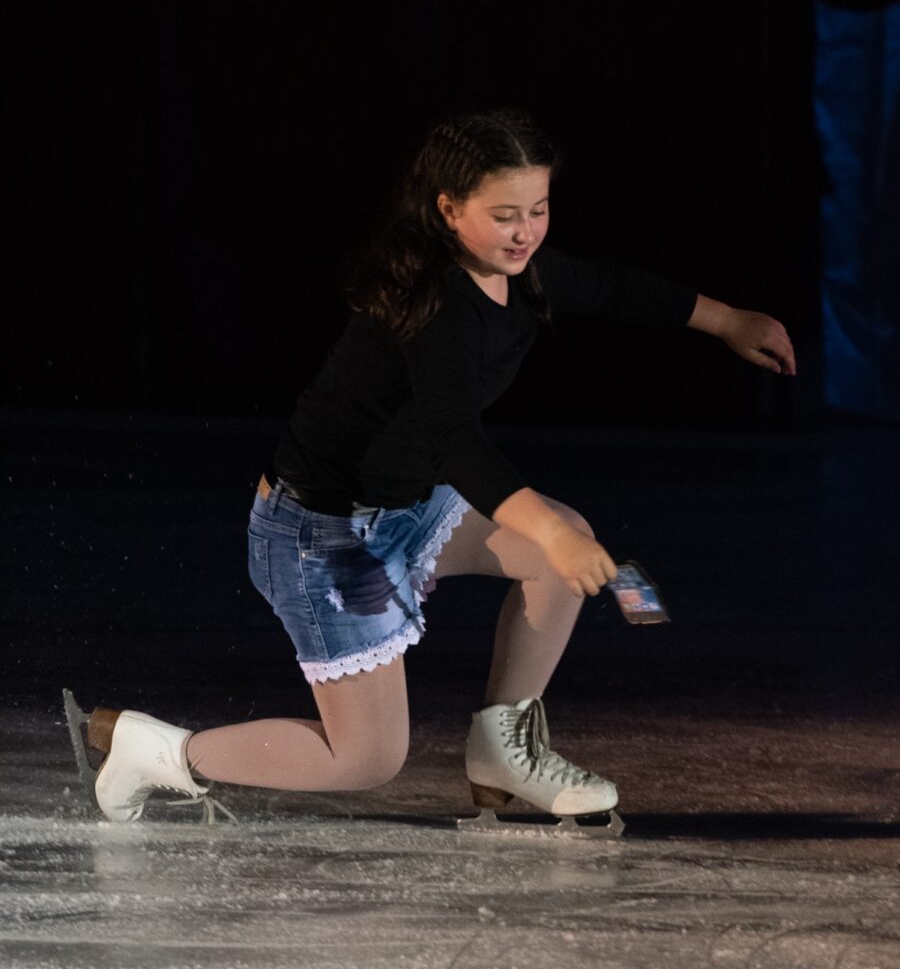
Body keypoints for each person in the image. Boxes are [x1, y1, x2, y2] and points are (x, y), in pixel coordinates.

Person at [79, 107, 796, 825]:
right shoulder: (437, 306)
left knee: (556, 548)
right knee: (365, 759)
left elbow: (617, 288)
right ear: (448, 210)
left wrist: (731, 320)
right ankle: (160, 751)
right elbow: (457, 441)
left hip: (407, 509)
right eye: (506, 215)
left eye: (539, 210)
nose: (526, 231)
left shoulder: (522, 276)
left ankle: (501, 753)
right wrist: (548, 532)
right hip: (323, 542)